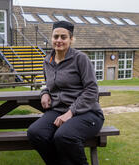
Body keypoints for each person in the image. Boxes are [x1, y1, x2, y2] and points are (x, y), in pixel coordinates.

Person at [27, 21, 104, 165]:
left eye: (63, 37)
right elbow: (48, 84)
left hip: (87, 113)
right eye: (56, 37)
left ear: (71, 39)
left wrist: (71, 112)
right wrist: (44, 93)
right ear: (51, 38)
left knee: (64, 136)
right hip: (58, 110)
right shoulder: (47, 61)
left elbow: (92, 90)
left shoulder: (80, 59)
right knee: (35, 133)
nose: (59, 41)